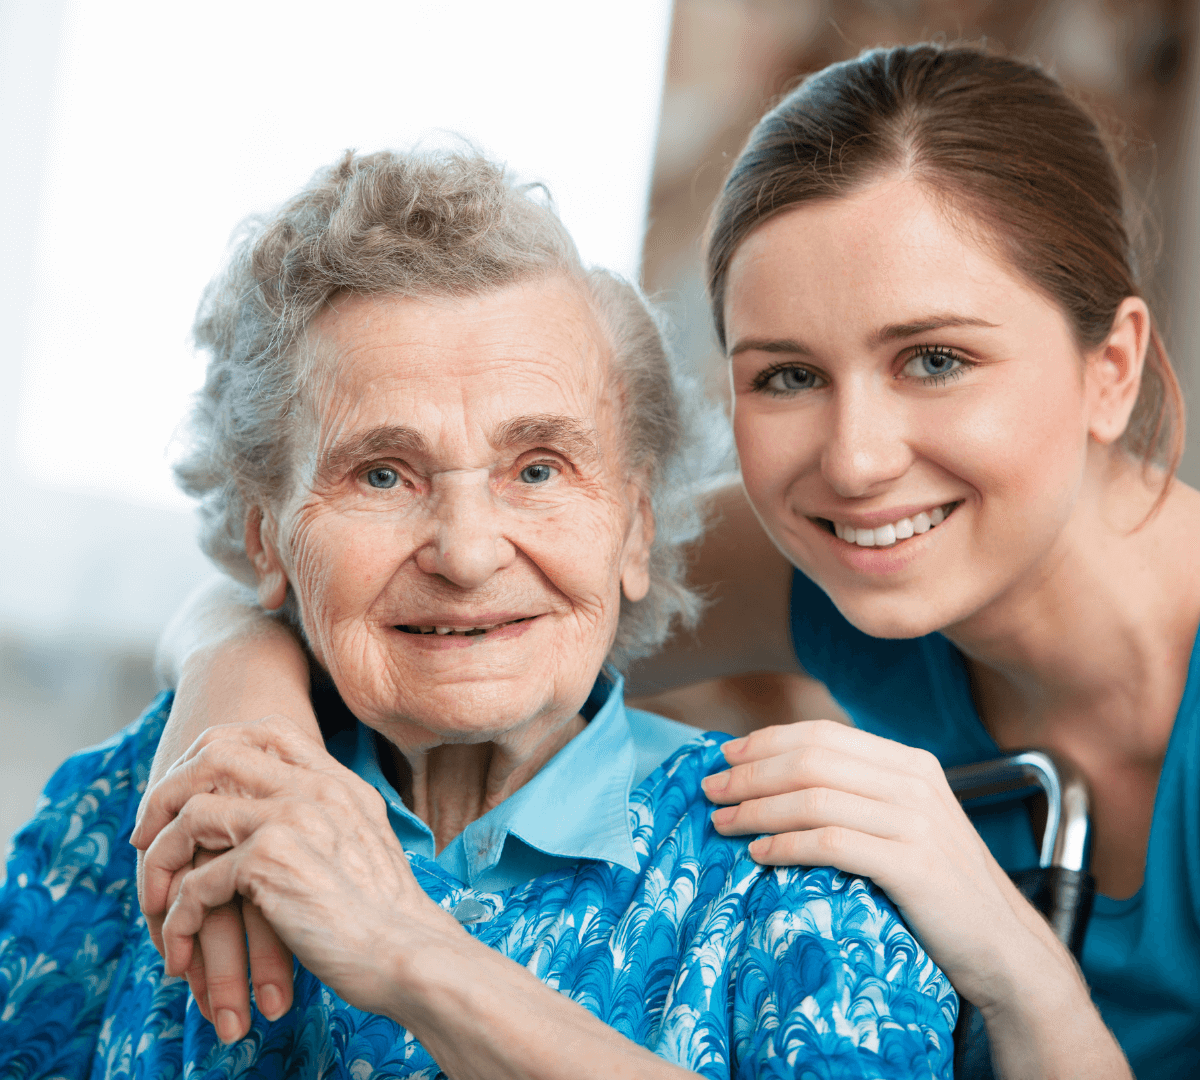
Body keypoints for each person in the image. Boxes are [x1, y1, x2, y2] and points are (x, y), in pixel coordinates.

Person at [142, 42, 1200, 1078]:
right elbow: (403, 590)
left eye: (936, 360)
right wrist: (240, 715)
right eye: (787, 376)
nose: (859, 458)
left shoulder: (871, 534)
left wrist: (1020, 968)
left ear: (1110, 370)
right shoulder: (820, 547)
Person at [0, 149, 957, 1079]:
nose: (465, 553)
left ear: (634, 530)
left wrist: (411, 950)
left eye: (538, 469)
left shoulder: (796, 879)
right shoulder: (153, 807)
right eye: (382, 473)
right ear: (266, 539)